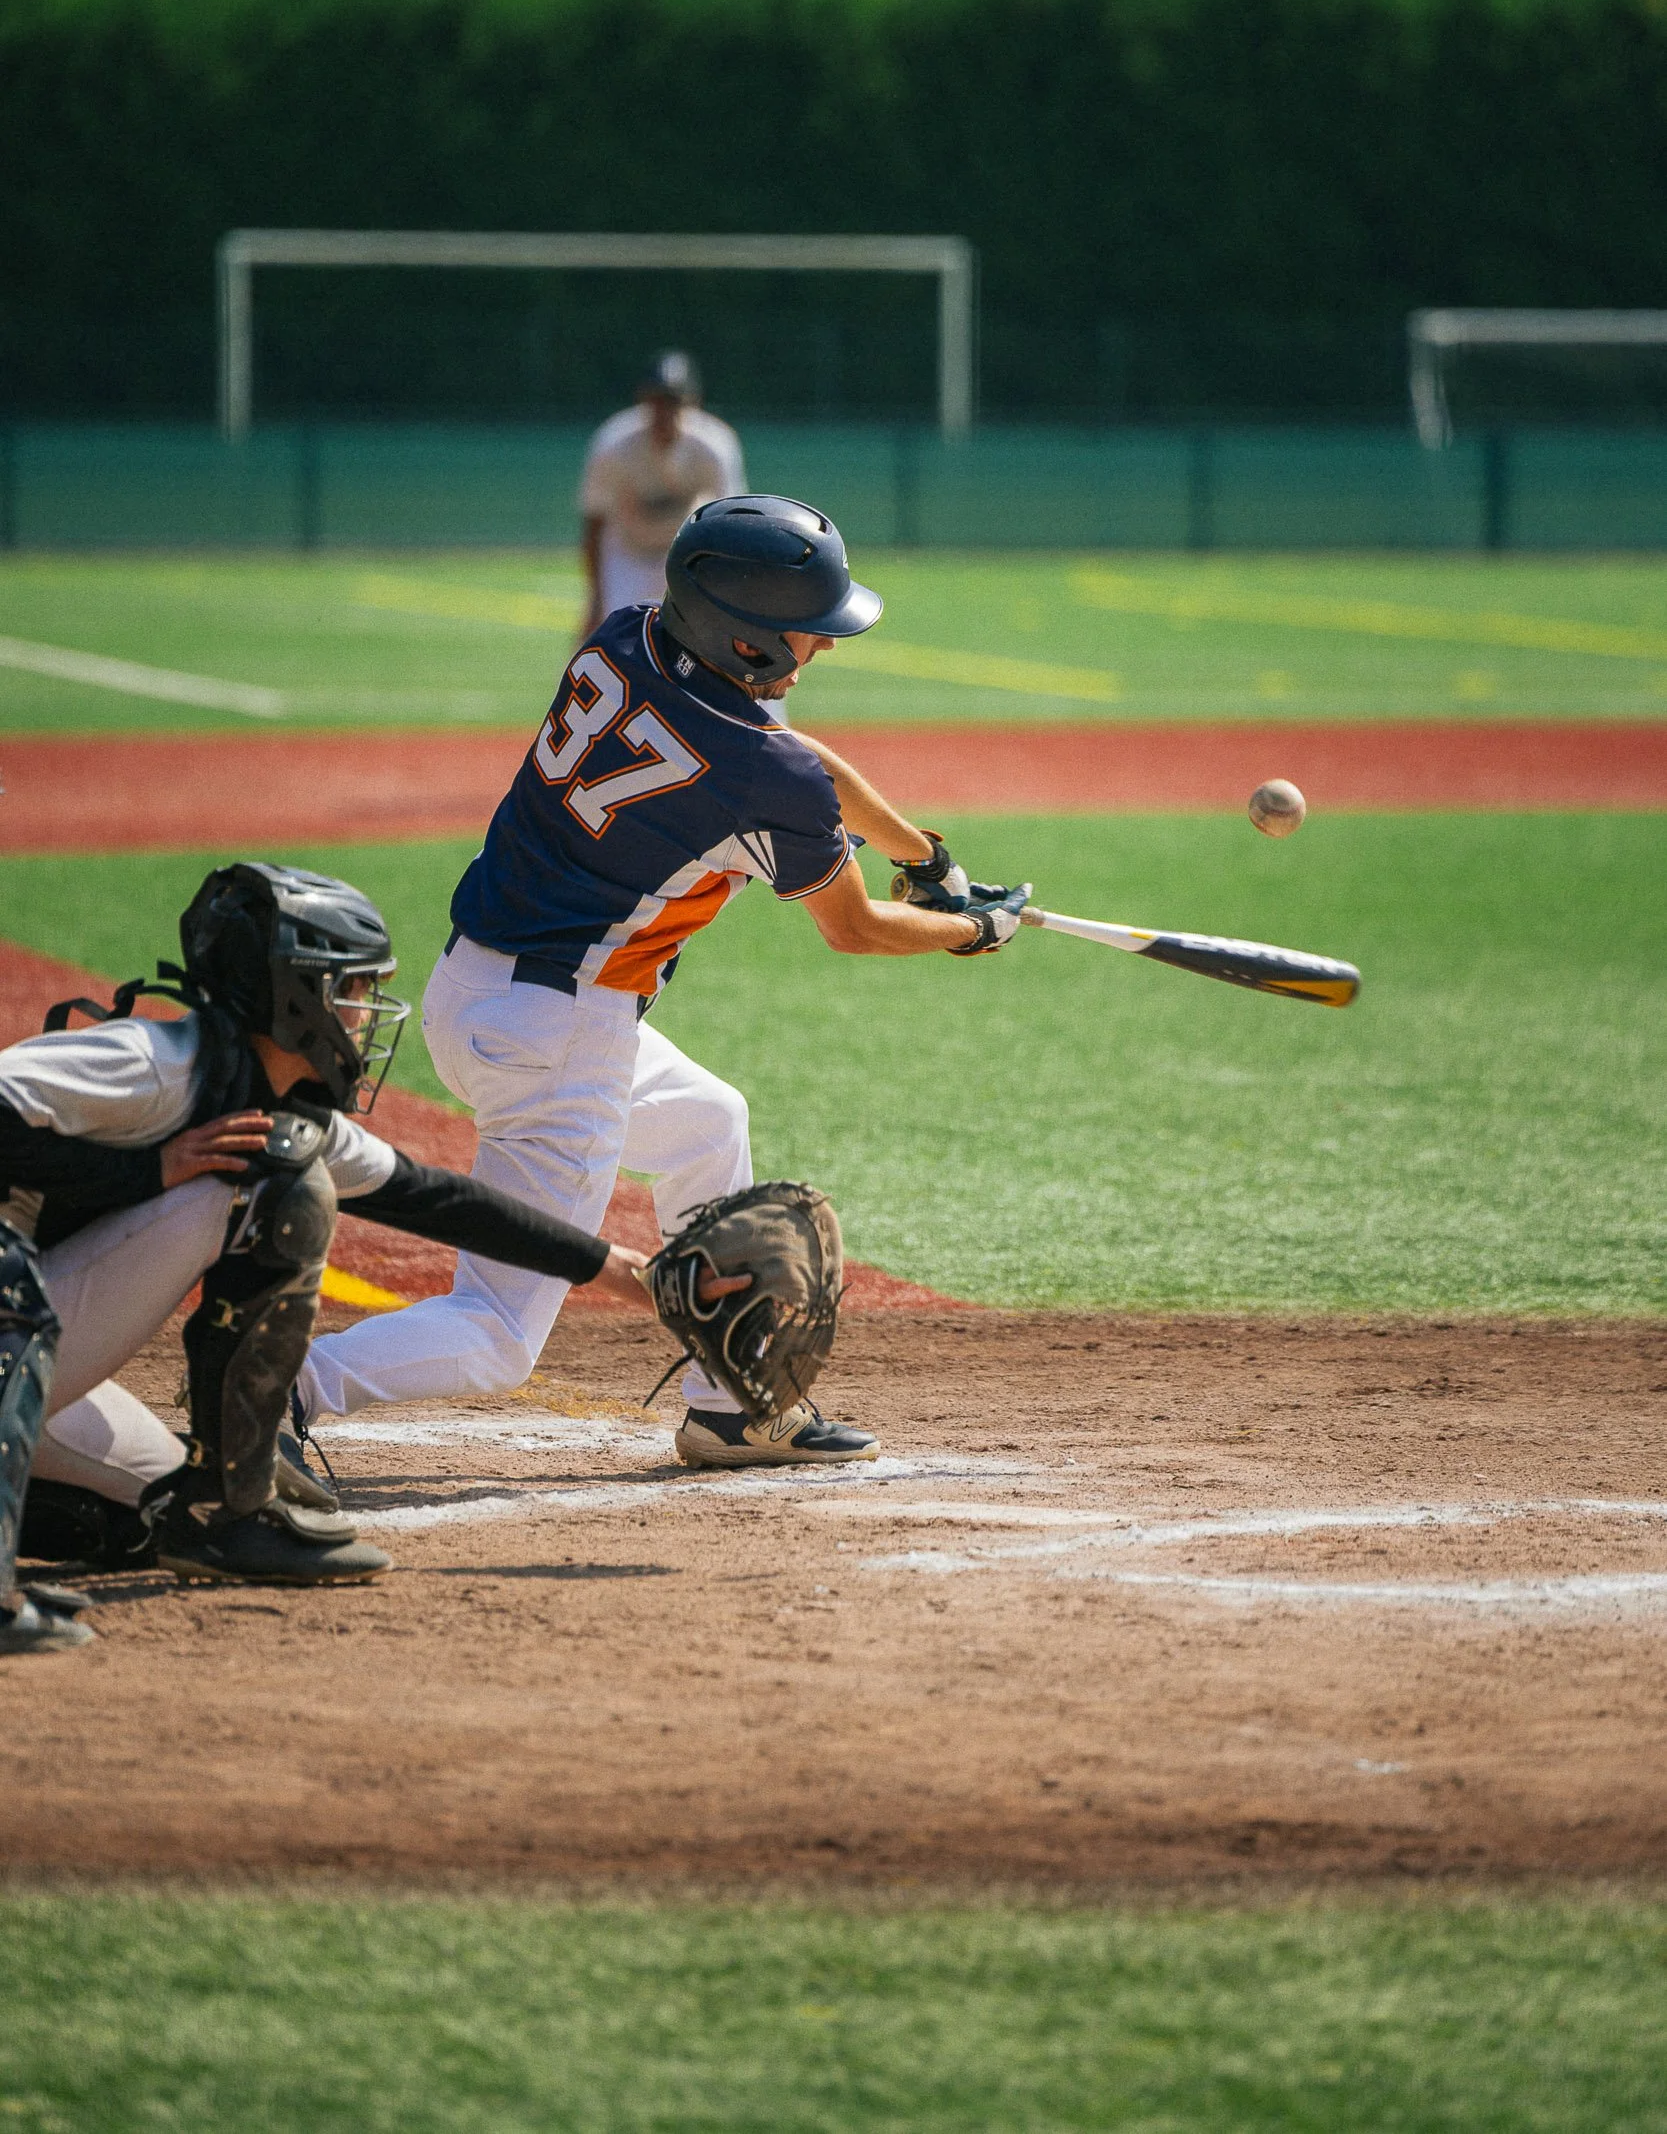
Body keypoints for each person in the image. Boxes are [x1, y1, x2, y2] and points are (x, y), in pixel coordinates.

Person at [294, 494, 1031, 1471]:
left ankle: (728, 1405)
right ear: (751, 642)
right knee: (497, 1334)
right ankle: (273, 1394)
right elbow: (852, 925)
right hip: (559, 1035)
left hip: (480, 989)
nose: (825, 646)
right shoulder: (764, 778)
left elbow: (793, 759)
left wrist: (924, 855)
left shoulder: (625, 639)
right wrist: (964, 927)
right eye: (809, 630)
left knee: (705, 1121)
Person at [1, 862, 655, 1648]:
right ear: (290, 994)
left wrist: (631, 1274)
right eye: (347, 989)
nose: (363, 1012)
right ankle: (221, 1515)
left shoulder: (273, 1105)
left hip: (33, 1353)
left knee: (154, 1509)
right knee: (265, 1191)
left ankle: (217, 1513)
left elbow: (433, 1197)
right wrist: (145, 1170)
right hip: (16, 1330)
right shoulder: (156, 1062)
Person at [578, 352, 746, 636]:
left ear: (692, 402)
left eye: (673, 401)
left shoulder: (714, 446)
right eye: (656, 400)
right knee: (608, 636)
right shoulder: (614, 444)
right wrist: (596, 597)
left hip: (683, 555)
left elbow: (731, 523)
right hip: (626, 553)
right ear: (643, 401)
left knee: (699, 639)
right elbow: (595, 522)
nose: (664, 411)